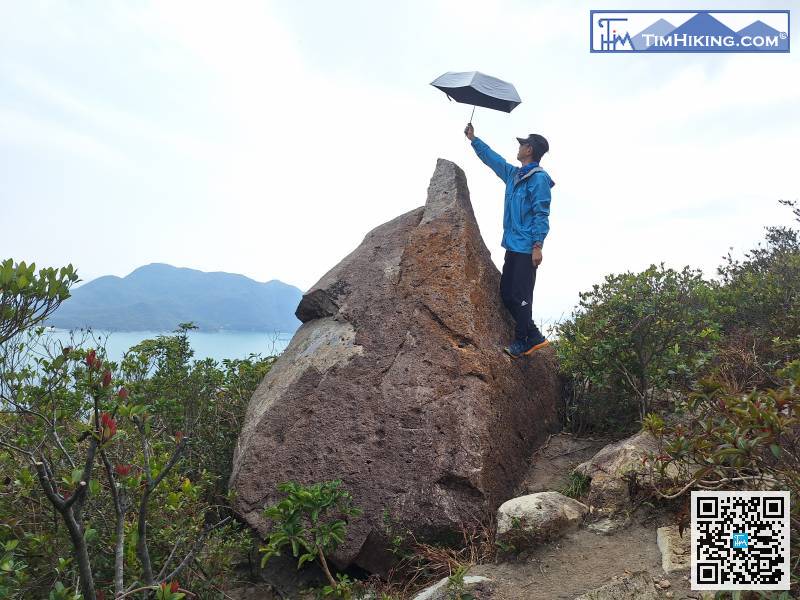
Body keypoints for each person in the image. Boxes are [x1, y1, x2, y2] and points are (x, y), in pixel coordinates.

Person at [464, 122, 555, 358]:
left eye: (523, 144)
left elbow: (541, 214)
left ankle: (522, 340)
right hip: (513, 245)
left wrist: (537, 246)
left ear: (529, 150)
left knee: (521, 295)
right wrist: (474, 140)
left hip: (527, 247)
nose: (519, 147)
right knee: (506, 293)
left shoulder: (539, 179)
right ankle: (534, 335)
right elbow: (493, 160)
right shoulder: (514, 175)